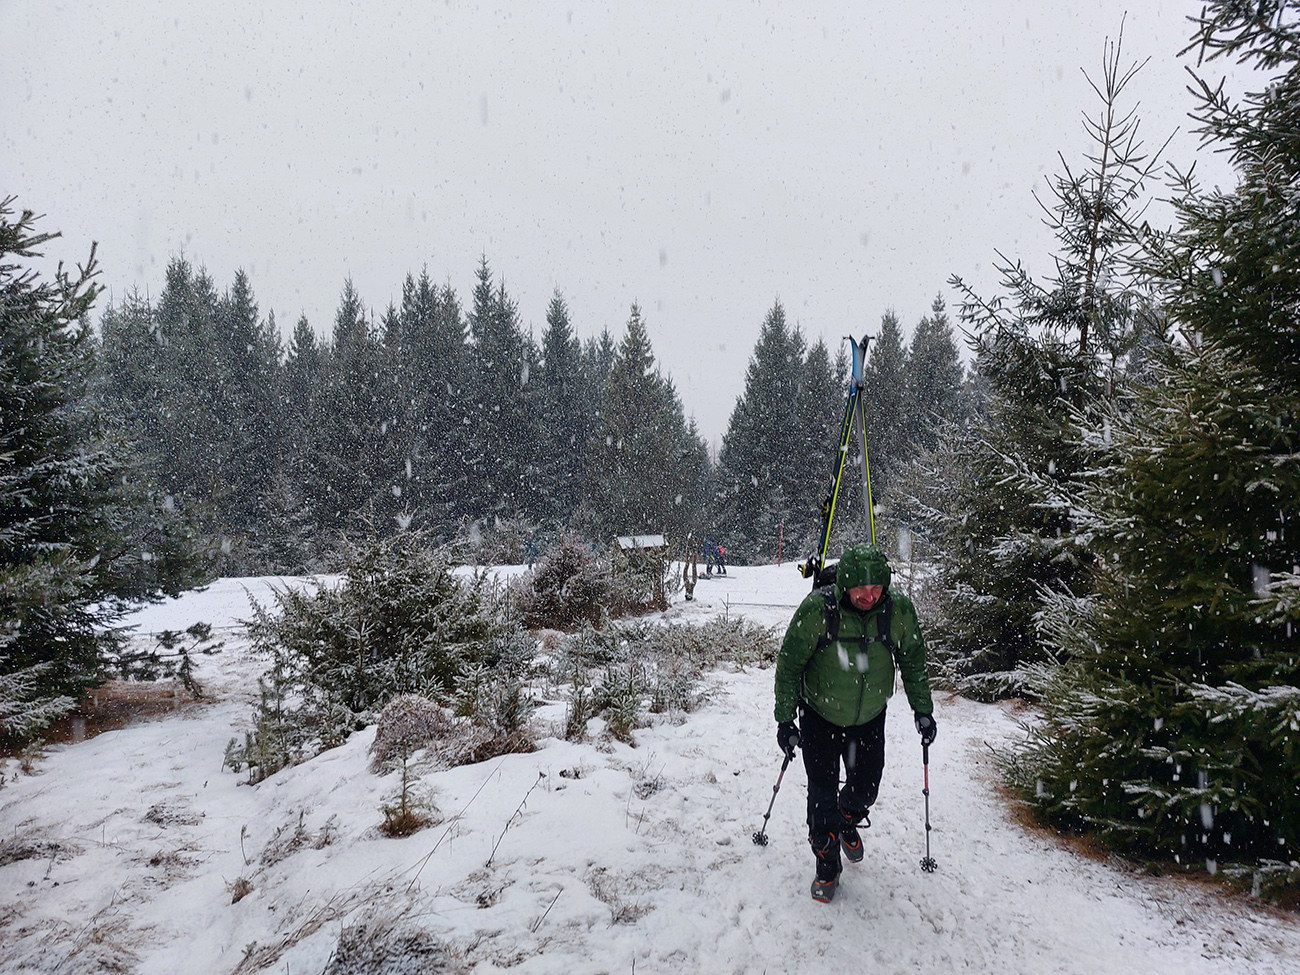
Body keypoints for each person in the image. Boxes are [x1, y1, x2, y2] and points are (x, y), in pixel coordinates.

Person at [772, 542, 936, 903]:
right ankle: (827, 861)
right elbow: (789, 664)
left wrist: (922, 710)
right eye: (861, 588)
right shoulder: (818, 610)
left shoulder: (896, 611)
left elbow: (913, 659)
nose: (869, 596)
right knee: (821, 797)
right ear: (845, 584)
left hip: (869, 718)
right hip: (820, 715)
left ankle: (847, 818)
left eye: (876, 588)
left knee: (866, 789)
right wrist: (785, 719)